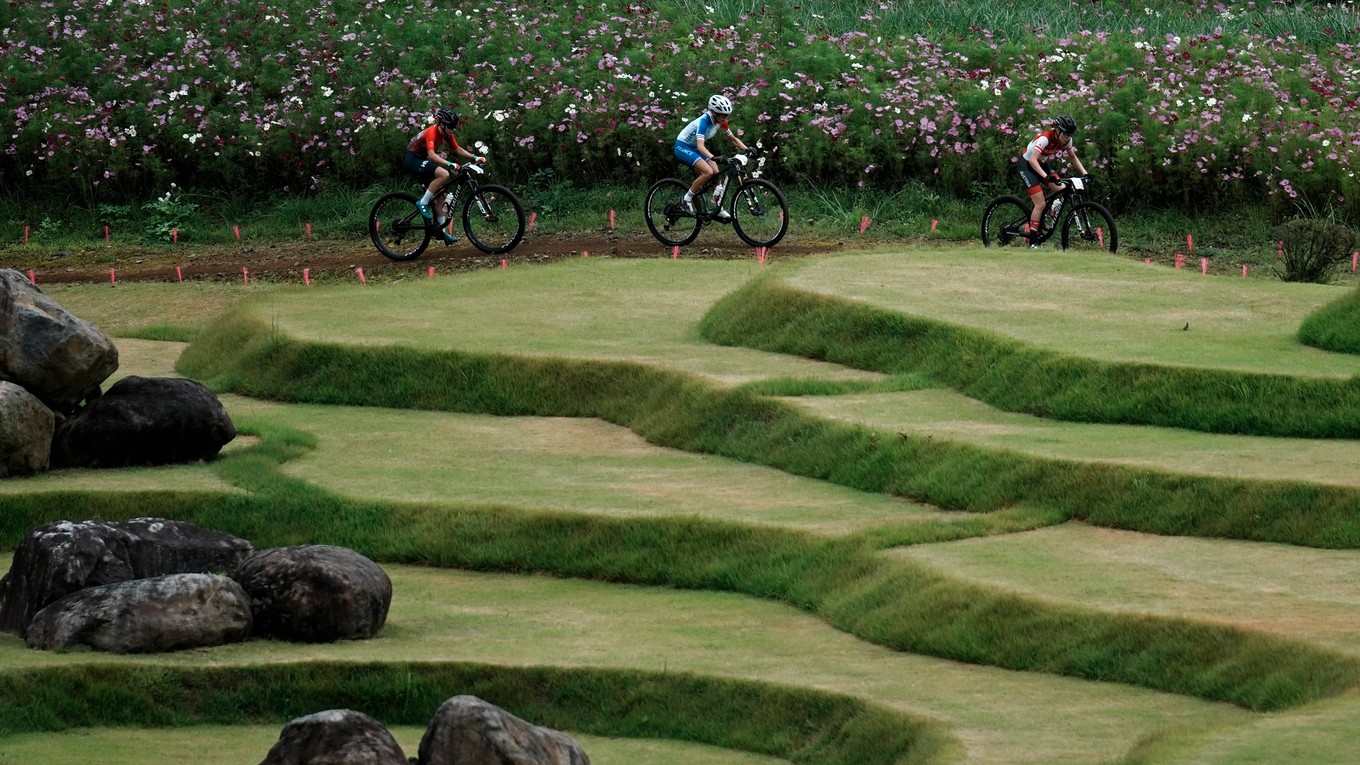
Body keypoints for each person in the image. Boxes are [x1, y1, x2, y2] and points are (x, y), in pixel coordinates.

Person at [404, 107, 485, 244]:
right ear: (441, 124)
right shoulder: (432, 132)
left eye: (455, 126)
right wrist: (449, 163)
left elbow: (457, 149)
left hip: (422, 159)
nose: (454, 129)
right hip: (412, 159)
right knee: (444, 174)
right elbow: (431, 155)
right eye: (451, 126)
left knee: (441, 196)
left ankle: (442, 232)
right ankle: (422, 202)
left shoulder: (447, 133)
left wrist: (474, 157)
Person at [673, 94, 749, 220]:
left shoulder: (721, 122)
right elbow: (701, 146)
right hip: (683, 146)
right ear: (713, 112)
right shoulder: (704, 121)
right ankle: (686, 200)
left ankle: (719, 208)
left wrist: (746, 148)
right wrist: (714, 158)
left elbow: (733, 139)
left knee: (716, 174)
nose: (725, 118)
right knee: (707, 172)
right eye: (723, 115)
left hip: (695, 148)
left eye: (727, 115)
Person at [1016, 114, 1088, 245]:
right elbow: (1032, 160)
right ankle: (1033, 241)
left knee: (1062, 189)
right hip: (1026, 165)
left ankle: (1045, 215)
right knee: (1040, 203)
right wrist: (1045, 176)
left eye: (1070, 135)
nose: (1068, 137)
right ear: (1058, 130)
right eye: (1066, 134)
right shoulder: (1045, 138)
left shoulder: (1067, 140)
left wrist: (1085, 173)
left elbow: (1072, 157)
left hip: (1041, 164)